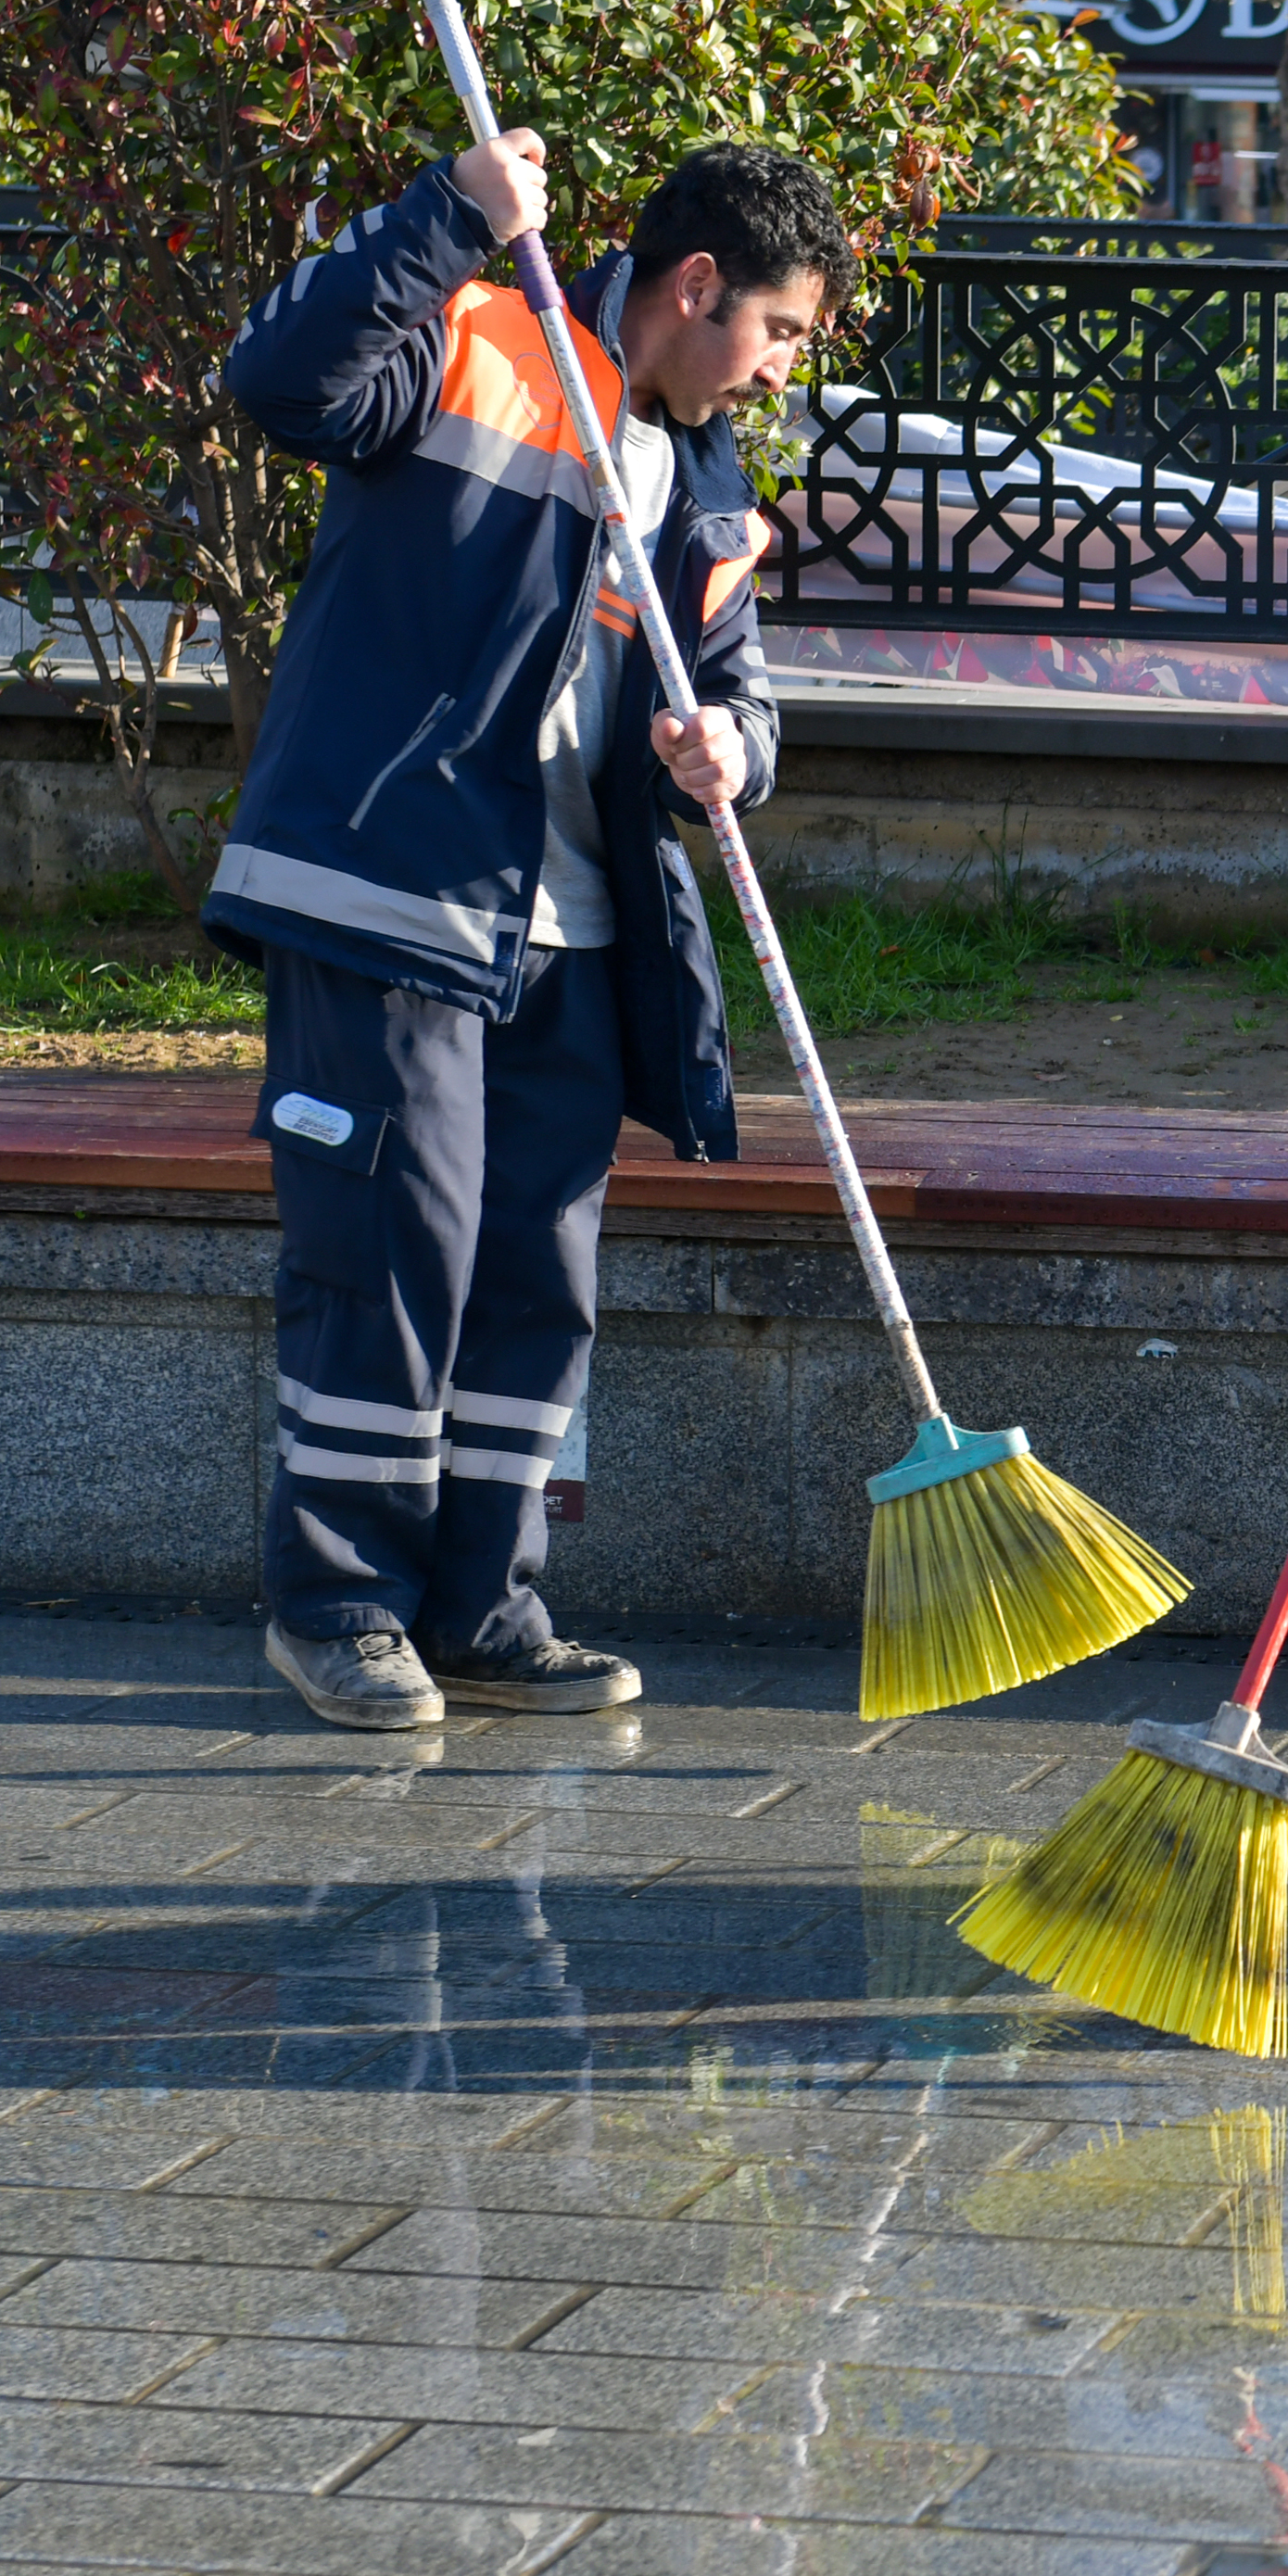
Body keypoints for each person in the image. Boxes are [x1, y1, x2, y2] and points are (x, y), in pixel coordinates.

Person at [208, 131, 844, 1735]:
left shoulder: (703, 482)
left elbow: (744, 690)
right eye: (775, 329)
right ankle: (338, 1605)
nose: (775, 370)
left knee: (534, 1279)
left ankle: (483, 1609)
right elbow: (284, 380)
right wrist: (448, 216)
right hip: (389, 894)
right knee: (387, 1257)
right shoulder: (482, 337)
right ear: (698, 288)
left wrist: (730, 755)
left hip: (577, 933)